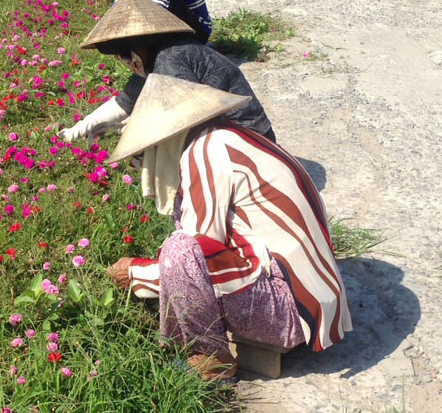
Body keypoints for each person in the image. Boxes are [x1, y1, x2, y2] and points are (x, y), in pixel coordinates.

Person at [105, 74, 352, 381]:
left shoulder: (206, 151)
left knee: (180, 251)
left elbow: (196, 251)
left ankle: (211, 356)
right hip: (311, 300)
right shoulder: (228, 138)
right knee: (182, 247)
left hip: (289, 313)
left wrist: (135, 272)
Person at [59, 0, 274, 143]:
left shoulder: (170, 59)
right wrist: (80, 129)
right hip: (229, 134)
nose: (126, 63)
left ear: (140, 46)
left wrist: (132, 128)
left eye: (125, 55)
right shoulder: (152, 62)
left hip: (249, 137)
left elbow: (177, 117)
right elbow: (123, 104)